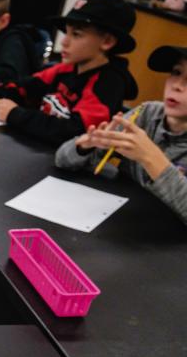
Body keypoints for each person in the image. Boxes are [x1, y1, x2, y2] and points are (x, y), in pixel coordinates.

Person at [0, 0, 138, 147]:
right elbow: (22, 86)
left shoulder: (108, 83)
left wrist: (16, 115)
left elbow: (75, 131)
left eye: (77, 35)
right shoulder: (66, 69)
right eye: (66, 33)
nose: (64, 42)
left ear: (107, 42)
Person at [55, 45, 187, 224]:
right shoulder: (146, 113)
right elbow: (62, 160)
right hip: (124, 225)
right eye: (176, 72)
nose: (177, 86)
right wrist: (86, 146)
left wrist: (151, 158)